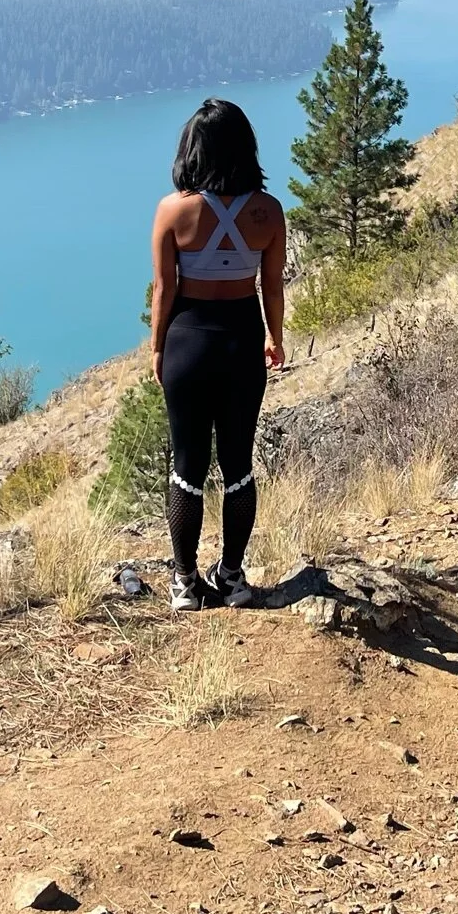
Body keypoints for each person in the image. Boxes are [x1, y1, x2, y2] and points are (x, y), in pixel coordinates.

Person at [151, 98, 287, 611]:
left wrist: (158, 347)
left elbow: (164, 289)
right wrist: (275, 337)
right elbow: (271, 285)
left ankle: (185, 583)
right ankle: (231, 578)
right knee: (238, 466)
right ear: (245, 147)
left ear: (193, 148)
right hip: (242, 342)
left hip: (187, 343)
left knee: (187, 466)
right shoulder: (267, 212)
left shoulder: (173, 210)